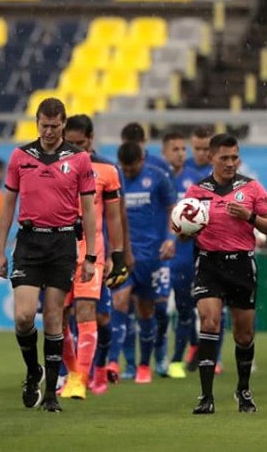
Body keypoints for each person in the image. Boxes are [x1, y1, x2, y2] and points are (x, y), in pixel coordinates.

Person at [0, 97, 98, 413]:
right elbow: (8, 204)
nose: (49, 131)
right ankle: (32, 371)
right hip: (28, 242)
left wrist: (91, 256)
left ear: (64, 124)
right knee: (24, 317)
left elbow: (89, 209)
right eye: (44, 125)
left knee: (55, 316)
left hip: (62, 243)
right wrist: (0, 250)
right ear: (36, 123)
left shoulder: (79, 159)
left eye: (55, 125)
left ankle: (52, 393)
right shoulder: (20, 157)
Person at [181, 133, 267, 414]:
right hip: (209, 264)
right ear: (211, 157)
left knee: (244, 334)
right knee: (210, 322)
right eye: (224, 157)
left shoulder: (252, 189)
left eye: (234, 157)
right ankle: (206, 396)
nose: (230, 163)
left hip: (241, 265)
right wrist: (186, 230)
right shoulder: (196, 192)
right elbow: (182, 235)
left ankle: (243, 390)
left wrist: (249, 217)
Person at [57, 115, 125, 399]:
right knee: (57, 318)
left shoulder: (107, 170)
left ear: (91, 139)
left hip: (91, 252)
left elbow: (114, 216)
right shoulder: (53, 166)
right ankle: (72, 372)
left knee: (90, 314)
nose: (75, 149)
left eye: (80, 144)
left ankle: (81, 379)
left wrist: (118, 254)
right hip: (57, 251)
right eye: (69, 144)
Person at [115, 141, 178, 383]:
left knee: (148, 309)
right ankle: (128, 364)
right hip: (125, 253)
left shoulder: (158, 177)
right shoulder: (116, 176)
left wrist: (171, 238)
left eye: (132, 169)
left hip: (154, 255)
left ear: (142, 160)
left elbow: (173, 208)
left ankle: (147, 363)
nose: (128, 173)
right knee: (120, 302)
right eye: (125, 168)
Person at [161, 131, 206, 377]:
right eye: (175, 149)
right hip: (159, 254)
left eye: (182, 149)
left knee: (184, 308)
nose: (180, 154)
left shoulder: (196, 180)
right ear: (165, 153)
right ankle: (157, 358)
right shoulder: (158, 178)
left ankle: (177, 359)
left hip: (186, 255)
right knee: (157, 312)